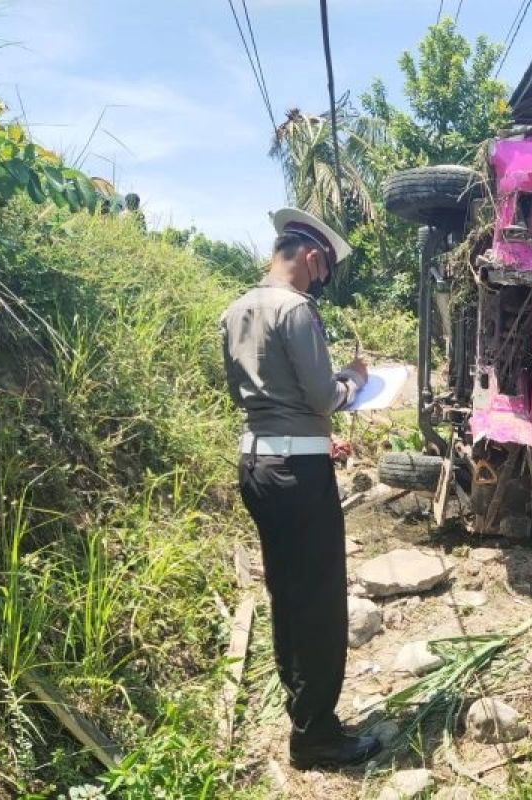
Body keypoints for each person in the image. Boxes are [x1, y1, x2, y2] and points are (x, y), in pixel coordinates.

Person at [220, 208, 377, 770]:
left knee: (286, 592)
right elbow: (322, 397)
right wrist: (355, 379)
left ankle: (300, 707)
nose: (320, 282)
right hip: (298, 471)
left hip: (255, 466)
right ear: (311, 257)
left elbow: (244, 392)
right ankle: (316, 737)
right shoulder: (295, 308)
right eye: (322, 271)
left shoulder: (235, 308)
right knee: (318, 600)